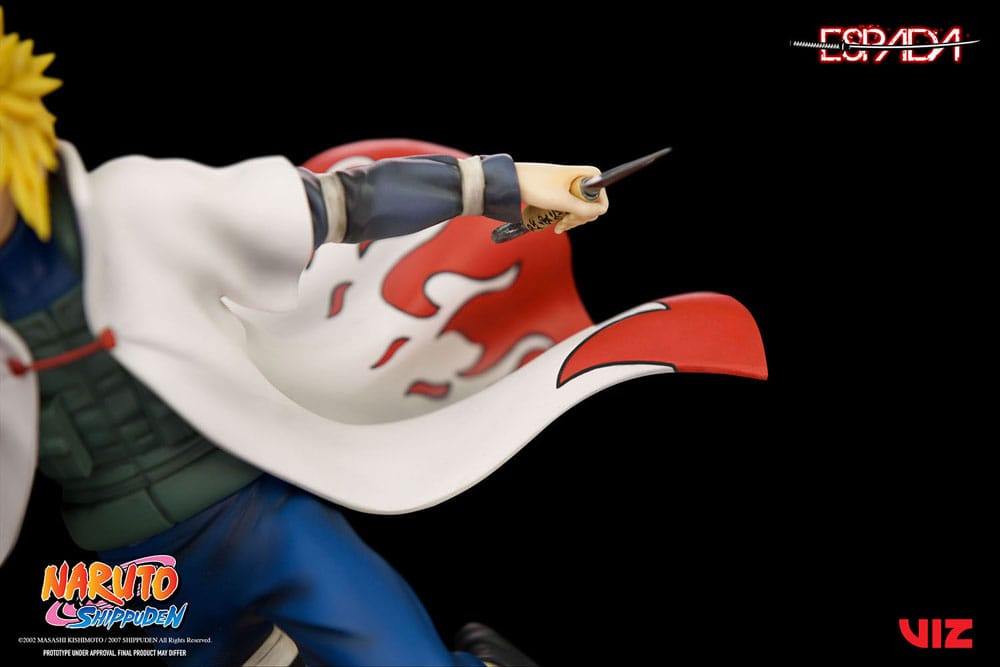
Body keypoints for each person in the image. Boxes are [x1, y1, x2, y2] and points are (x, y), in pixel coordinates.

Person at [0, 8, 607, 665]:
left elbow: (341, 203)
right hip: (135, 568)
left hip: (256, 515)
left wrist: (503, 184)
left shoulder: (135, 207)